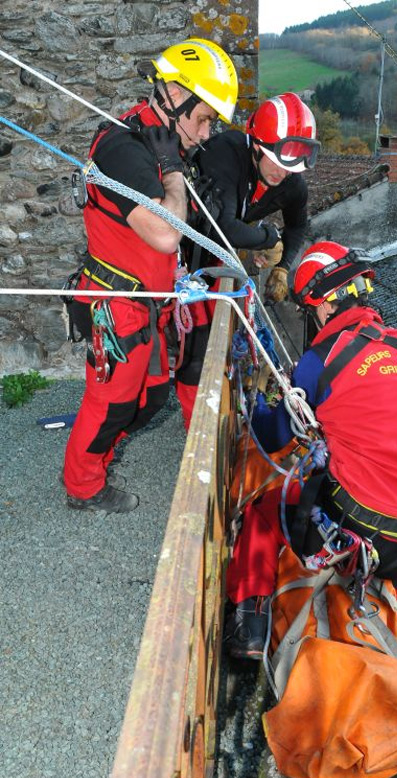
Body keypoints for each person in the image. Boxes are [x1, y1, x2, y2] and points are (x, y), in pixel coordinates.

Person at [224, 240, 397, 659]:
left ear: (325, 305)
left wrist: (253, 407)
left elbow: (273, 436)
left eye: (311, 311)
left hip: (360, 528)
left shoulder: (323, 359)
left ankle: (248, 625)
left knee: (264, 512)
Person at [63, 39, 238, 513]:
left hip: (149, 303)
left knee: (153, 396)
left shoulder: (155, 145)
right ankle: (83, 486)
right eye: (203, 117)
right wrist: (174, 173)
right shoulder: (122, 148)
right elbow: (165, 233)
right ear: (175, 95)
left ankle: (101, 449)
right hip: (117, 308)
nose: (205, 133)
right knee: (112, 404)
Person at [174, 91, 320, 427]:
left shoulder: (289, 181)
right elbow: (222, 226)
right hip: (186, 249)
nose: (283, 174)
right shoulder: (226, 154)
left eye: (292, 168)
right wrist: (268, 238)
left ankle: (208, 413)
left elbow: (299, 225)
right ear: (255, 146)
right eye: (278, 163)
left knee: (214, 341)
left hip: (217, 255)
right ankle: (195, 423)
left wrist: (283, 268)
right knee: (196, 346)